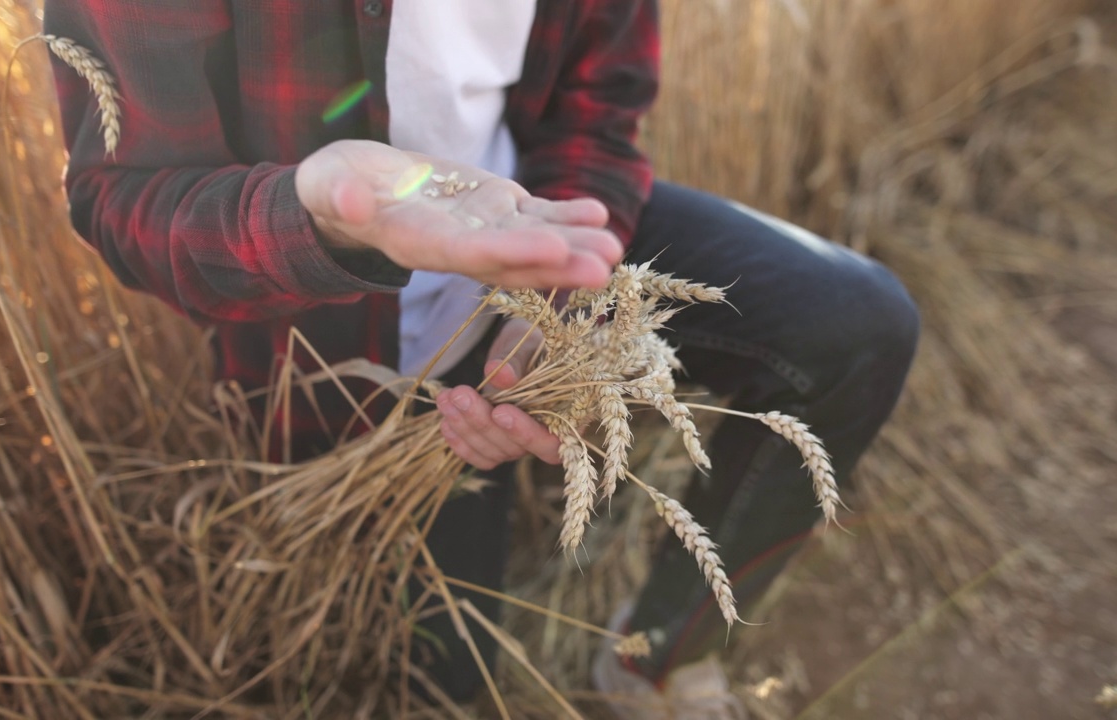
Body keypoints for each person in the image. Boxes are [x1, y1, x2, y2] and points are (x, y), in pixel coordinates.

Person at [46, 1, 918, 716]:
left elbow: (600, 104)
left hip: (539, 226)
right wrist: (319, 214)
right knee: (441, 688)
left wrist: (566, 294)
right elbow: (125, 198)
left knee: (854, 322)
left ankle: (659, 658)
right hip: (325, 337)